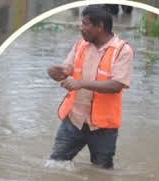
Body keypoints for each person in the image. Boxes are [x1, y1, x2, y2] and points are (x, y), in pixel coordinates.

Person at [45, 5, 134, 169]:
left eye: (85, 23)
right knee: (54, 165)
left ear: (99, 27)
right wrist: (55, 72)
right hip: (74, 120)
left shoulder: (123, 50)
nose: (80, 27)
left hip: (103, 127)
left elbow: (116, 85)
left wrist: (81, 83)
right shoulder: (80, 45)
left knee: (102, 173)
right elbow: (66, 69)